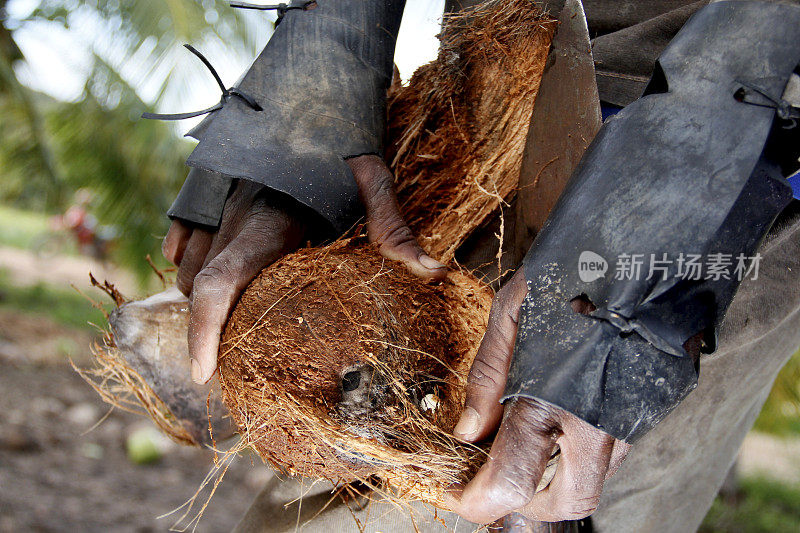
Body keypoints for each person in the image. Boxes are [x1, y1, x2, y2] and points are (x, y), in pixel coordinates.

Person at [157, 1, 800, 531]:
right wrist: (322, 65)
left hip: (752, 177)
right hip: (497, 104)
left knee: (604, 501)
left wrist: (662, 222)